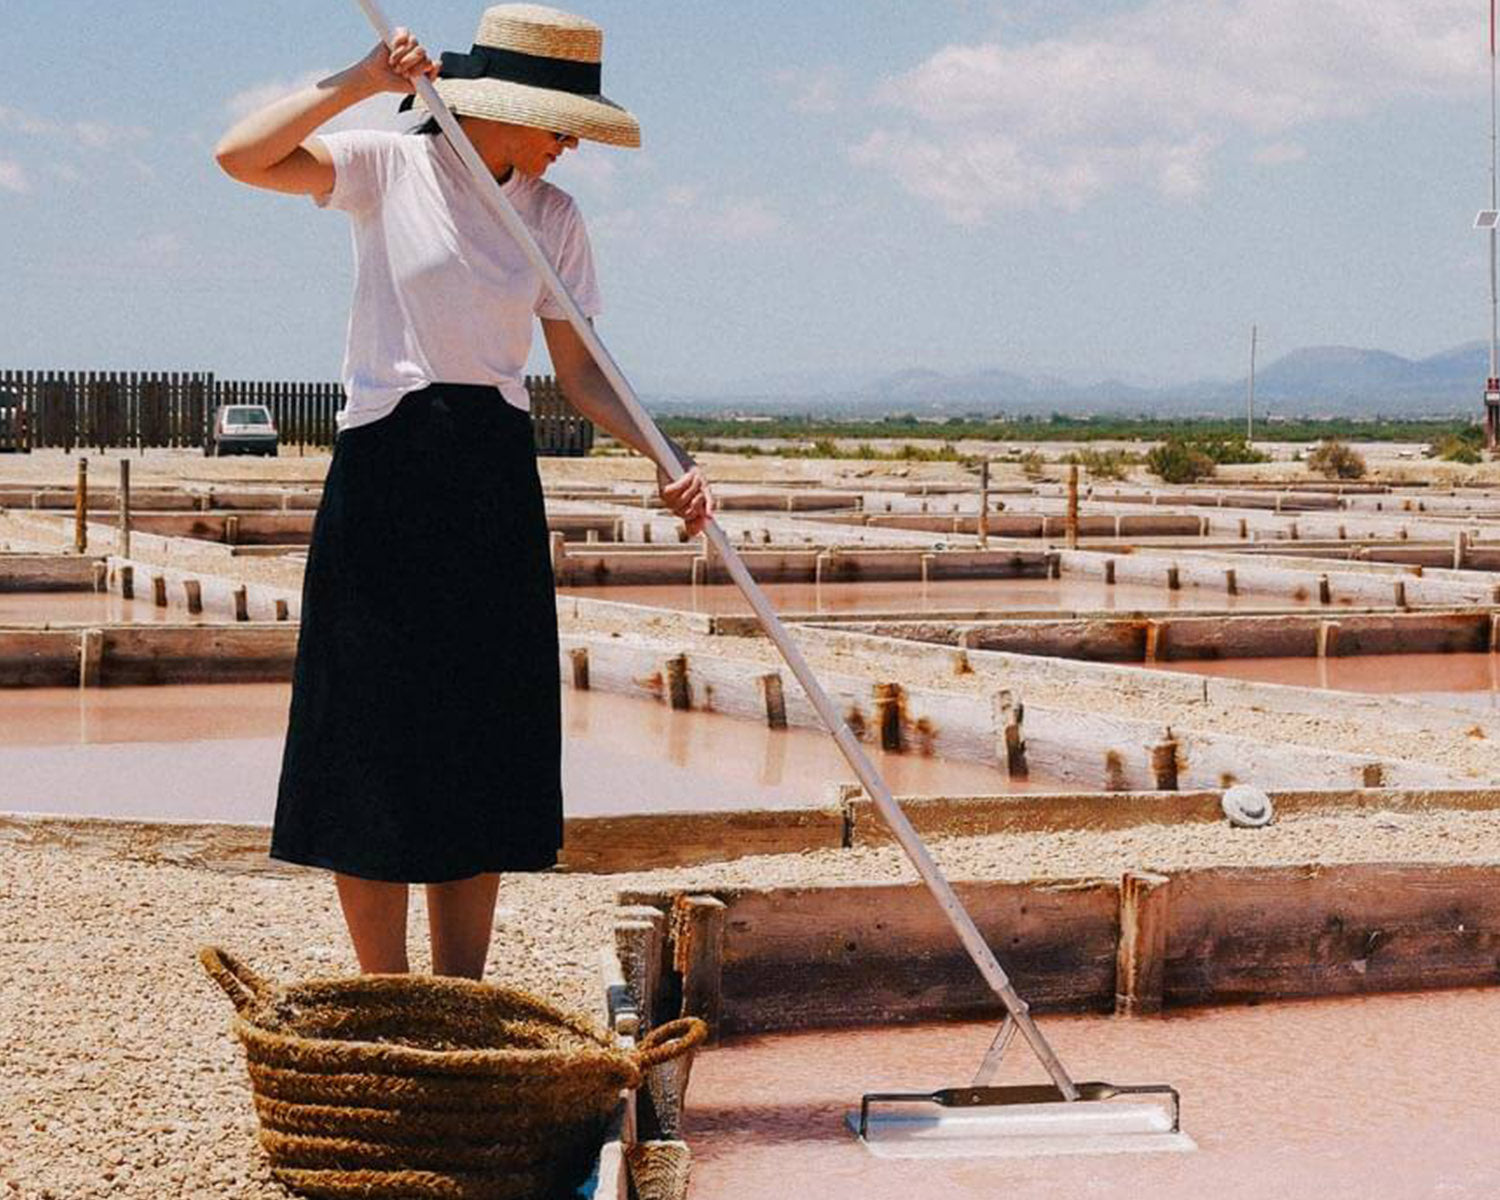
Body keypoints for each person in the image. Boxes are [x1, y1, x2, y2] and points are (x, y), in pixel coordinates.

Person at [213, 4, 712, 980]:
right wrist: (362, 80)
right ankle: (385, 999)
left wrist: (665, 456)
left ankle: (461, 995)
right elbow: (239, 157)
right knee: (370, 730)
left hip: (491, 474)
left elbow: (583, 372)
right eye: (561, 120)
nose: (572, 142)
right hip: (386, 469)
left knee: (479, 737)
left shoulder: (553, 219)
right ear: (503, 104)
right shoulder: (389, 168)